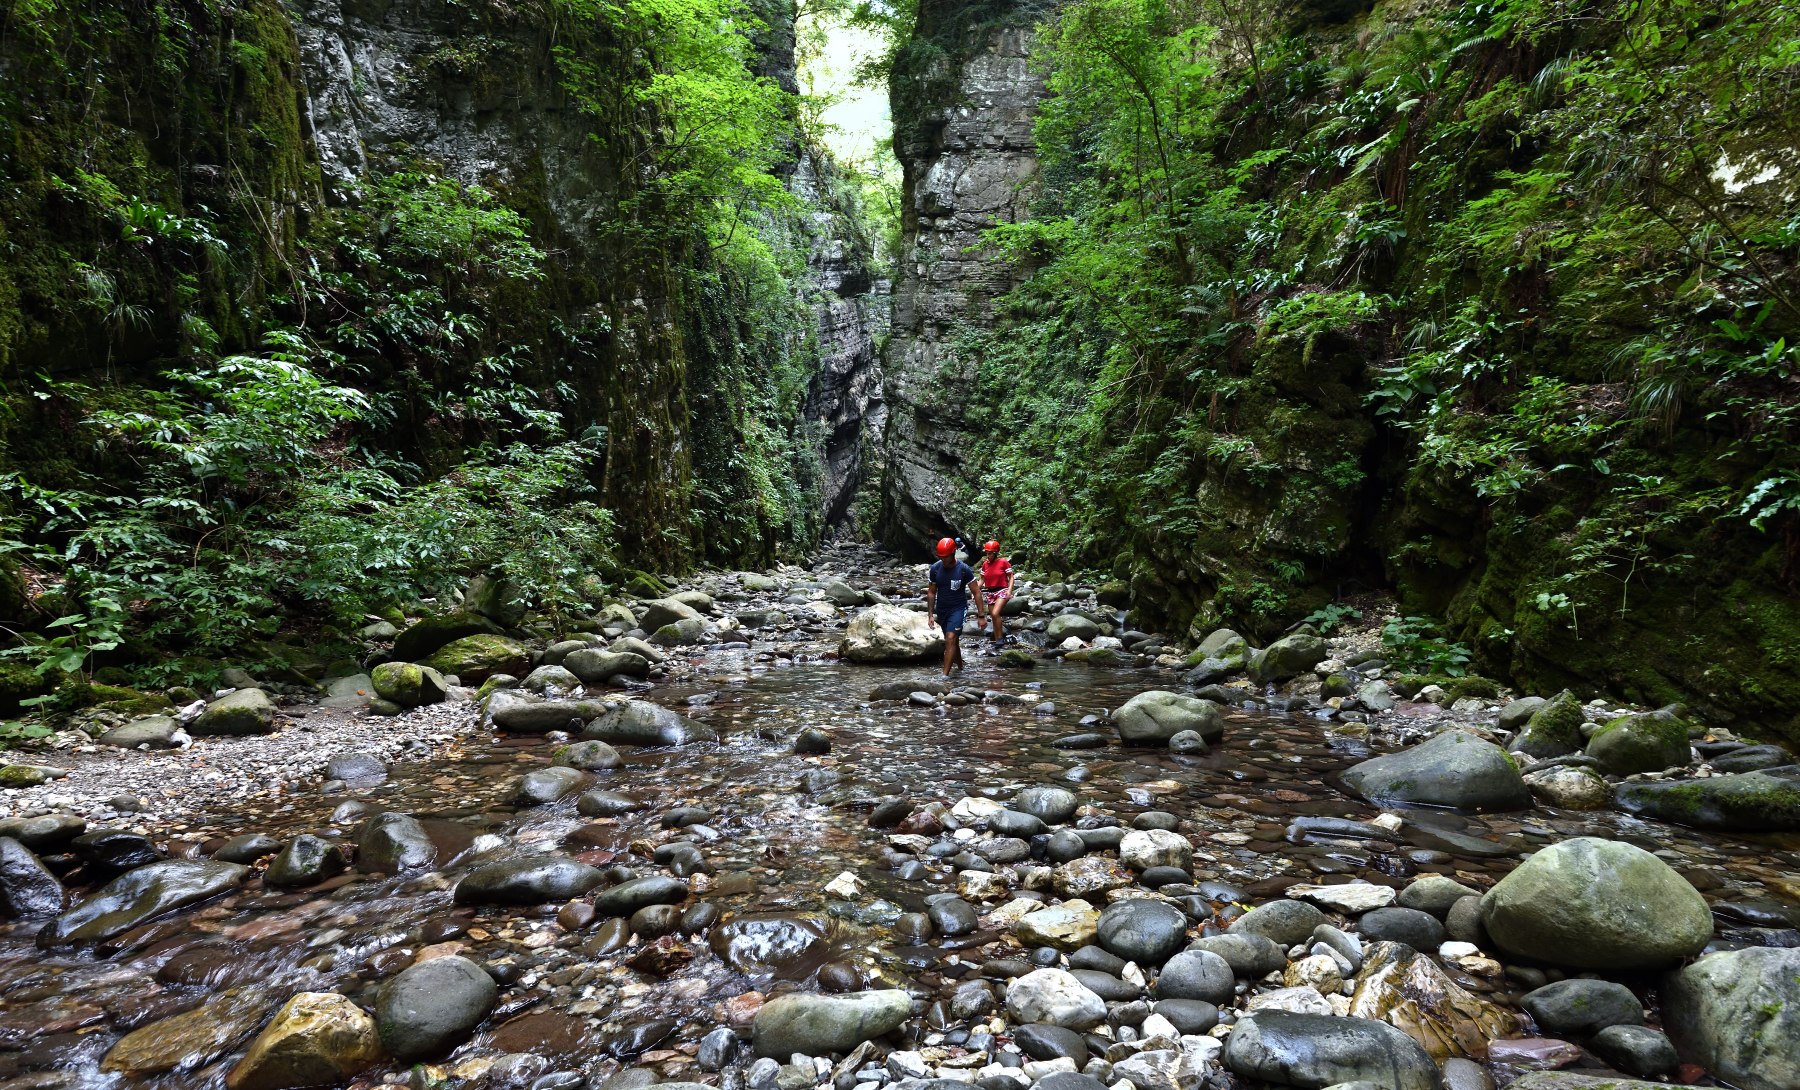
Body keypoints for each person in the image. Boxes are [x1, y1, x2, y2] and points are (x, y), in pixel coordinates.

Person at [925, 536, 982, 676]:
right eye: (941, 556)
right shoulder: (936, 569)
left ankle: (944, 676)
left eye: (946, 556)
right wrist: (930, 615)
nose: (943, 559)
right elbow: (931, 593)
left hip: (958, 608)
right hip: (942, 609)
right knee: (952, 641)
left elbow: (977, 592)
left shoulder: (963, 569)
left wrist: (981, 615)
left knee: (950, 638)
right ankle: (961, 667)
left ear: (953, 553)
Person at [975, 540, 1014, 649]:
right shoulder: (985, 565)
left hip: (1002, 590)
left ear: (995, 553)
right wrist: (975, 591)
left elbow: (1011, 577)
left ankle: (1000, 638)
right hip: (990, 592)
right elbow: (982, 579)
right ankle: (998, 642)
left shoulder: (1003, 562)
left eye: (990, 553)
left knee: (996, 613)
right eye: (986, 553)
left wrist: (1009, 590)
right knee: (993, 616)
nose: (987, 556)